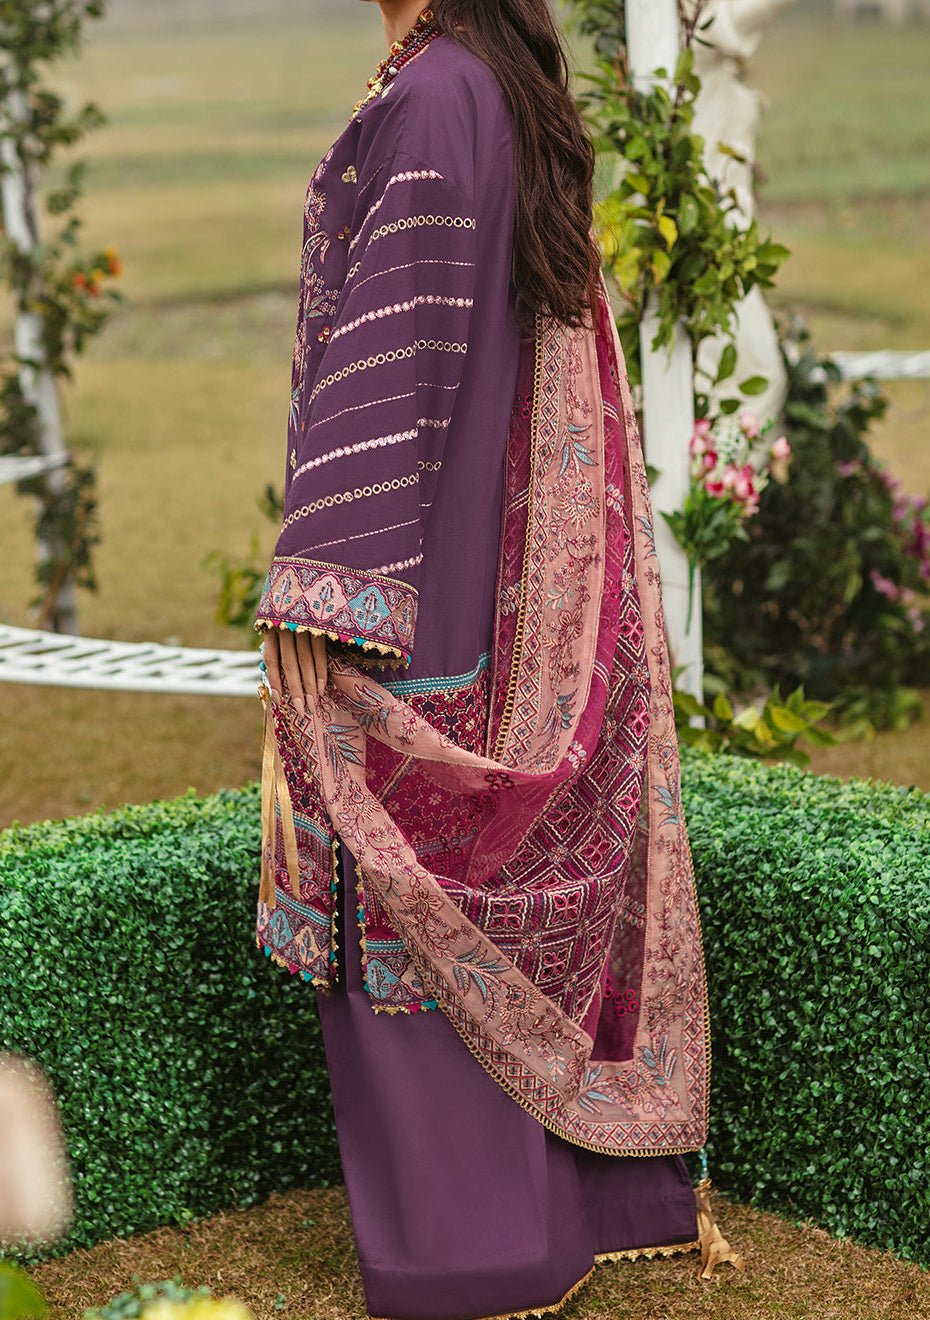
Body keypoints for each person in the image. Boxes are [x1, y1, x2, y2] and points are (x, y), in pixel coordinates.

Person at [254, 3, 719, 1317]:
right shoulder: (487, 84)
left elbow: (391, 357)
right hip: (486, 574)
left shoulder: (436, 94)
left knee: (407, 858)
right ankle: (561, 1216)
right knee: (489, 876)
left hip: (421, 579)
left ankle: (464, 1251)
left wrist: (320, 589)